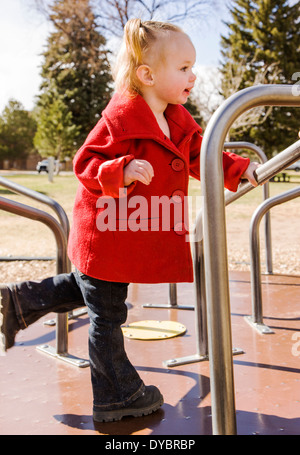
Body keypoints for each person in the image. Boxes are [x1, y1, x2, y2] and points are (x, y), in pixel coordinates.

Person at [0, 18, 259, 423]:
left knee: (95, 291)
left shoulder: (177, 120)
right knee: (107, 314)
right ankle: (116, 396)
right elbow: (85, 162)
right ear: (147, 74)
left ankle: (19, 300)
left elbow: (199, 155)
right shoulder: (119, 118)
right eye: (184, 67)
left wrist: (234, 169)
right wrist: (120, 169)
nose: (193, 75)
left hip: (131, 231)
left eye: (193, 67)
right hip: (105, 231)